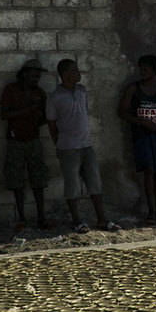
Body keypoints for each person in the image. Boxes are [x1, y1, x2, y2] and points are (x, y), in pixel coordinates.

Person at [46, 57, 111, 231]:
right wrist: (59, 144)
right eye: (74, 70)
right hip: (68, 147)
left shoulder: (82, 91)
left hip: (86, 145)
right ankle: (76, 221)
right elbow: (51, 124)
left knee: (95, 182)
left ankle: (102, 219)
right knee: (72, 185)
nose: (78, 73)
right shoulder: (55, 97)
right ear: (65, 74)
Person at [117, 53, 156, 227]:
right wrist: (142, 121)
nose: (142, 72)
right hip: (141, 135)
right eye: (141, 68)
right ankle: (152, 212)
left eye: (146, 69)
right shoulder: (133, 89)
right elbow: (122, 112)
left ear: (154, 71)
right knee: (148, 171)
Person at [0, 59, 51, 233]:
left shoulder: (40, 93)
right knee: (16, 180)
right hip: (16, 141)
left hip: (33, 139)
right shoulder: (11, 90)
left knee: (38, 180)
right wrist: (27, 111)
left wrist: (36, 119)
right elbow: (4, 114)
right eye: (34, 75)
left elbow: (45, 117)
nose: (37, 78)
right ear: (25, 74)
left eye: (38, 76)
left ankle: (41, 216)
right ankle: (21, 217)